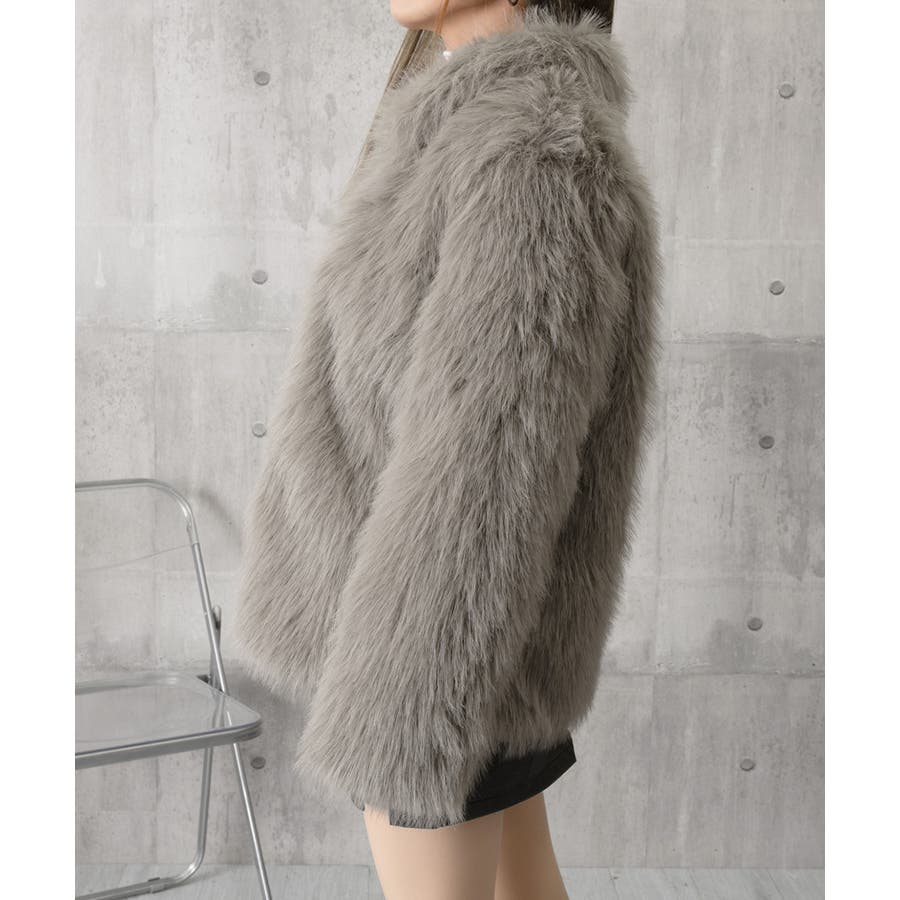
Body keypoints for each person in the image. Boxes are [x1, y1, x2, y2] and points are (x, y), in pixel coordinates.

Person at [233, 1, 662, 897]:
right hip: (445, 643)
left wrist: (406, 707)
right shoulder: (471, 129)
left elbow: (489, 472)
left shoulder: (533, 150)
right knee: (521, 881)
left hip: (433, 659)